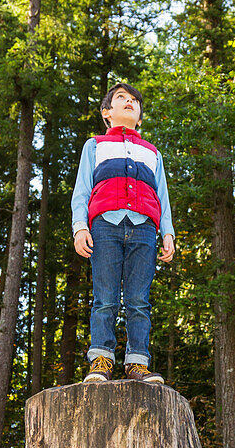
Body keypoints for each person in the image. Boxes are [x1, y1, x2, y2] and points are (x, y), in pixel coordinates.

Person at [71, 81, 175, 383]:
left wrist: (167, 233)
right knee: (104, 297)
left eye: (134, 100)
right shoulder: (95, 145)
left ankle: (137, 363)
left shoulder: (152, 152)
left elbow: (163, 195)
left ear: (140, 116)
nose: (129, 101)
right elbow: (82, 191)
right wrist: (80, 228)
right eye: (121, 98)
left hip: (145, 229)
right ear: (107, 112)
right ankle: (101, 358)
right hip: (105, 226)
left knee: (139, 300)